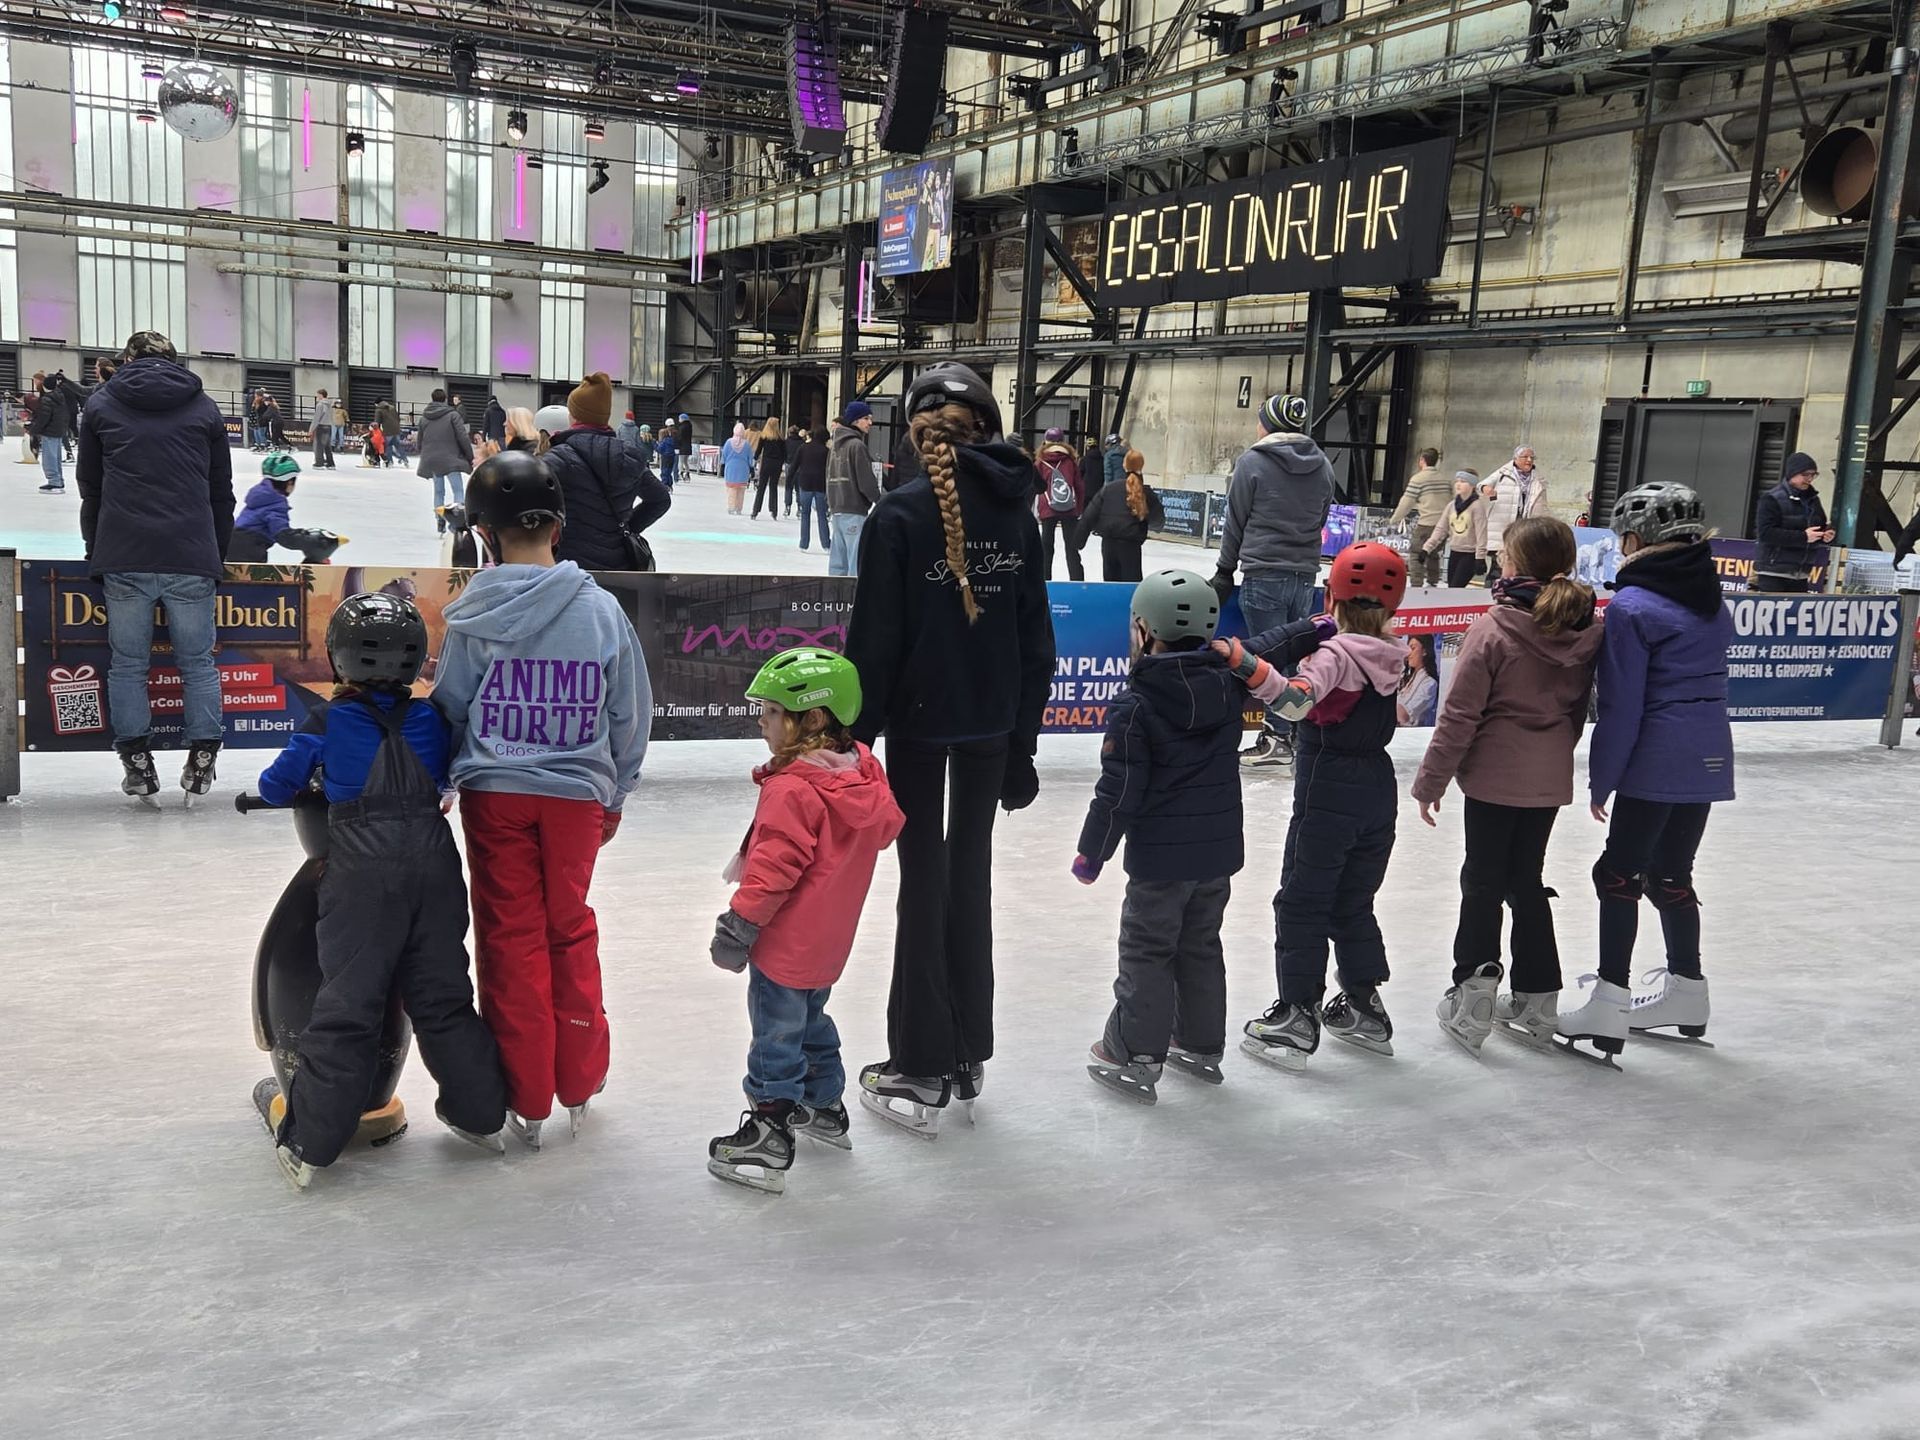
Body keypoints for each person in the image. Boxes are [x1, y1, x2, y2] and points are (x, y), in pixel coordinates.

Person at [843, 362, 1055, 1137]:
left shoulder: (897, 517)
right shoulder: (1018, 517)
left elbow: (873, 647)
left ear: (915, 431)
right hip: (989, 730)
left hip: (926, 733)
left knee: (925, 887)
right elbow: (1037, 642)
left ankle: (926, 1060)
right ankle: (965, 1049)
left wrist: (853, 745)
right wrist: (1022, 745)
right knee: (969, 881)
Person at [431, 451, 652, 1148]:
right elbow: (629, 711)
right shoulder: (600, 610)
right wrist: (614, 790)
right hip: (575, 800)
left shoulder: (473, 613)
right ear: (558, 528)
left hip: (496, 797)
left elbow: (452, 706)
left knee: (511, 940)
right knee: (569, 928)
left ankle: (526, 1091)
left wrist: (438, 780)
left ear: (486, 534)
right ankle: (579, 1078)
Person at [252, 593, 509, 1188]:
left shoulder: (325, 720)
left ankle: (312, 1144)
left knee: (348, 1003)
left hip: (362, 868)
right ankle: (480, 1114)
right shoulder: (431, 719)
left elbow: (273, 787)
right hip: (432, 858)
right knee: (443, 994)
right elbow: (444, 774)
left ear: (339, 660)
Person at [1075, 571, 1288, 1103]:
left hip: (1159, 863)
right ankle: (1198, 1041)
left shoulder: (1136, 705)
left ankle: (1134, 1052)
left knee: (1147, 950)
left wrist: (1092, 853)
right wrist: (1319, 622)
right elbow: (1274, 642)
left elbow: (1118, 791)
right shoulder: (1228, 682)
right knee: (1199, 944)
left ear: (1144, 630)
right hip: (1216, 854)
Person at [705, 649, 906, 1193]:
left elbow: (771, 871)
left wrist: (738, 928)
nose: (761, 722)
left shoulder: (792, 790)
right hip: (828, 942)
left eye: (770, 712)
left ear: (812, 719)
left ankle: (770, 1128)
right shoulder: (862, 771)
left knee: (776, 1035)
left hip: (784, 944)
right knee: (811, 1020)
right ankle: (823, 1105)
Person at [1411, 517, 1604, 1055]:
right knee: (1526, 881)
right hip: (1547, 778)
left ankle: (1473, 994)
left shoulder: (1495, 627)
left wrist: (1431, 781)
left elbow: (1458, 716)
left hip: (1496, 778)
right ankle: (1538, 997)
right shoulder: (1587, 626)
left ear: (1514, 566)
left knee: (1483, 881)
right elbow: (1577, 713)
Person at [1561, 482, 1732, 1064]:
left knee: (1617, 874)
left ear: (1636, 540)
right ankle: (1688, 990)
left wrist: (1601, 777)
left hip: (1658, 753)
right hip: (1709, 751)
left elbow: (1622, 705)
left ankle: (1609, 1001)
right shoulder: (1710, 597)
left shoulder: (1633, 607)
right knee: (1671, 876)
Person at [1237, 542, 1409, 1073]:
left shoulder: (1334, 655)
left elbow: (1294, 702)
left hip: (1328, 790)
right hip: (1378, 791)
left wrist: (1250, 667)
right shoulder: (1395, 652)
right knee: (1352, 902)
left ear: (1330, 594)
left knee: (1301, 901)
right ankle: (1364, 1006)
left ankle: (1297, 1014)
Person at [76, 330, 234, 802]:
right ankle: (203, 754)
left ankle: (137, 763)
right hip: (190, 553)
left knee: (128, 665)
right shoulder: (204, 407)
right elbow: (220, 492)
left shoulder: (101, 406)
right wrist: (214, 553)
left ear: (126, 360)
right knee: (198, 664)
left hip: (124, 553)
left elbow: (92, 488)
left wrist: (95, 549)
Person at [1211, 394, 1335, 770]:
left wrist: (1224, 569)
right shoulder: (1323, 465)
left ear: (1268, 424)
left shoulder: (1252, 462)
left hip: (1265, 572)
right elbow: (1321, 518)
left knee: (1267, 658)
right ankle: (1293, 731)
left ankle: (1278, 736)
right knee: (1294, 655)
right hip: (1303, 573)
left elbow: (1236, 520)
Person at [542, 372, 671, 570]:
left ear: (574, 415)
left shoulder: (558, 458)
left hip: (569, 566)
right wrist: (627, 528)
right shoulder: (629, 457)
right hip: (619, 566)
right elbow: (660, 499)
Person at [1074, 448, 1162, 581]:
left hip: (1109, 544)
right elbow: (1158, 521)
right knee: (1130, 587)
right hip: (1131, 547)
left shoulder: (1109, 489)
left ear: (1124, 466)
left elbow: (1089, 516)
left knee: (1111, 587)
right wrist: (1151, 524)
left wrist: (1078, 542)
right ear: (1141, 466)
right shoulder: (1146, 493)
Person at [1752, 451, 1832, 593]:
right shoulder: (1771, 499)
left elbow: (1821, 524)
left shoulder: (1813, 499)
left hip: (1801, 572)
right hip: (1773, 572)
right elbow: (1766, 533)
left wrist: (1827, 534)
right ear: (1792, 474)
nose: (1810, 479)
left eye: (1813, 475)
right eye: (1805, 474)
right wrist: (1803, 537)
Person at [826, 401, 882, 575]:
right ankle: (852, 601)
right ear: (855, 421)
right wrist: (879, 499)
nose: (870, 423)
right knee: (854, 563)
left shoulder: (835, 446)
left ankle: (835, 598)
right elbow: (866, 481)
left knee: (838, 563)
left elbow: (828, 476)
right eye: (866, 418)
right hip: (854, 510)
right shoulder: (857, 446)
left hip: (837, 510)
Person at [228, 452, 317, 562]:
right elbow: (283, 535)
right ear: (289, 482)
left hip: (230, 544)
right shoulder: (275, 503)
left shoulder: (261, 495)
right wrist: (309, 541)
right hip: (250, 551)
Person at [415, 388, 475, 534]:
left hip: (433, 460)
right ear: (445, 399)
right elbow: (462, 436)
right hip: (451, 459)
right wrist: (469, 455)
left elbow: (419, 440)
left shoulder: (424, 418)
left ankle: (439, 519)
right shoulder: (453, 415)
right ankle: (457, 521)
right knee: (458, 490)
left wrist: (423, 453)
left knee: (438, 492)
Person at [1390, 447, 1450, 588]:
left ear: (1422, 460)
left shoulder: (1418, 479)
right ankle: (1433, 582)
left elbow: (1407, 502)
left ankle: (1416, 584)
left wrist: (1395, 519)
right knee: (1433, 552)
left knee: (1416, 553)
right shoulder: (1445, 479)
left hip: (1427, 523)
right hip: (1443, 524)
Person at [1485, 445, 1548, 578]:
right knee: (1500, 561)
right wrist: (1487, 489)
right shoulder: (1503, 473)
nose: (1529, 460)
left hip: (1524, 526)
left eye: (1532, 457)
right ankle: (1493, 587)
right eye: (1525, 457)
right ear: (1516, 458)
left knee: (1522, 559)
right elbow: (1483, 485)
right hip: (1504, 523)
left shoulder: (1538, 479)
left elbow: (1543, 506)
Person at [1035, 426, 1086, 581]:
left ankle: (1044, 580)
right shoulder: (1070, 461)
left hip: (1047, 507)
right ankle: (1076, 580)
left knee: (1046, 546)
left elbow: (1034, 484)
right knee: (1071, 547)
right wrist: (1078, 508)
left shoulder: (1040, 461)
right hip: (1068, 508)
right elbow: (1079, 486)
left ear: (1045, 441)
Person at [1425, 469, 1490, 588]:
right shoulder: (1451, 505)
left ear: (1472, 485)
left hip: (1469, 554)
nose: (1458, 484)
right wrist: (1427, 548)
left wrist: (1480, 557)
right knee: (1451, 588)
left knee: (1456, 586)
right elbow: (1441, 528)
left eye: (1463, 481)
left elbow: (1481, 533)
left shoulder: (1477, 506)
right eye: (1457, 481)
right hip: (1454, 551)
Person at [29, 370, 78, 493]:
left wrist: (34, 430)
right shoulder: (59, 396)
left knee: (49, 458)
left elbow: (44, 418)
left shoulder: (48, 399)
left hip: (50, 432)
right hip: (58, 430)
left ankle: (54, 481)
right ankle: (58, 480)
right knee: (55, 458)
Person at [792, 426, 830, 552]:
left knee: (805, 514)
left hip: (805, 483)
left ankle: (804, 543)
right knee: (822, 515)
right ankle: (826, 544)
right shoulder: (826, 451)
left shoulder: (803, 448)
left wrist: (789, 481)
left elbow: (794, 465)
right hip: (820, 485)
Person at [750, 414, 787, 520]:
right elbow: (784, 454)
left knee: (761, 487)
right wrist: (782, 463)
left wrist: (755, 459)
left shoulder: (764, 437)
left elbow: (758, 450)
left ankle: (755, 511)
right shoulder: (780, 439)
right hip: (776, 464)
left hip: (766, 463)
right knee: (773, 487)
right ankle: (774, 511)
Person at [1396, 634, 1438, 726]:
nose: (1409, 653)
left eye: (1413, 648)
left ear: (1424, 651)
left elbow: (1404, 715)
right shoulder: (1406, 678)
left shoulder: (1430, 684)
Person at [720, 421, 754, 514]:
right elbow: (750, 458)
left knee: (731, 490)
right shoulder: (746, 444)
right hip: (743, 470)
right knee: (741, 491)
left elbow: (724, 455)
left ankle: (731, 507)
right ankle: (739, 508)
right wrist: (752, 468)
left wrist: (722, 466)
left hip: (730, 469)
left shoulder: (728, 442)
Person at [375, 398, 405, 468]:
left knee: (388, 446)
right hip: (396, 429)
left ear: (377, 403)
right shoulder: (392, 407)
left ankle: (389, 462)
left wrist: (377, 430)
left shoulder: (379, 410)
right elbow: (398, 418)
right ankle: (405, 460)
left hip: (388, 431)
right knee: (398, 446)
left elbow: (377, 422)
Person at [310, 389, 335, 470]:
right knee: (328, 446)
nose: (317, 397)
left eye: (317, 395)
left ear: (321, 395)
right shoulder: (330, 405)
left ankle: (319, 463)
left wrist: (311, 429)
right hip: (329, 426)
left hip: (321, 426)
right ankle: (330, 463)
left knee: (319, 446)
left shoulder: (320, 405)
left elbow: (316, 418)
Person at [655, 422, 680, 488]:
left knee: (664, 471)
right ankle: (670, 484)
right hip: (672, 456)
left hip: (665, 457)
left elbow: (659, 449)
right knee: (669, 471)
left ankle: (665, 484)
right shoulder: (673, 440)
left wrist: (654, 445)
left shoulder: (664, 441)